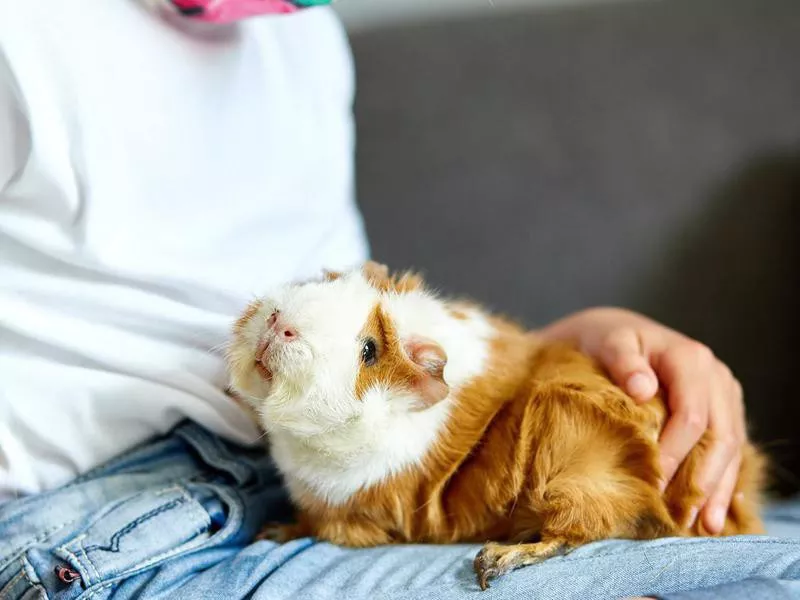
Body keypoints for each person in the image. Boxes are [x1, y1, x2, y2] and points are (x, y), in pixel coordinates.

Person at [0, 1, 798, 598]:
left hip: (316, 485)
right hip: (117, 529)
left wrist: (546, 358)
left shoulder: (298, 37)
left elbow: (354, 329)